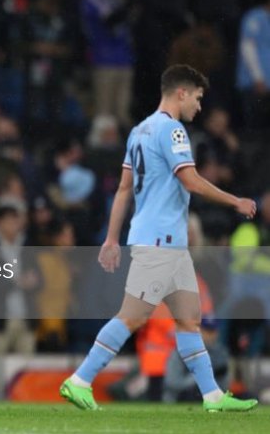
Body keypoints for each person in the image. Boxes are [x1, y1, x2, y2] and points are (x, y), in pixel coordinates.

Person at [61, 64, 258, 412]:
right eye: (197, 98)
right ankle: (79, 380)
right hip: (159, 241)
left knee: (188, 319)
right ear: (181, 93)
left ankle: (212, 396)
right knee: (132, 316)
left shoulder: (139, 131)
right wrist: (235, 201)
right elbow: (191, 181)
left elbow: (123, 189)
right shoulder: (173, 131)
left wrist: (111, 239)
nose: (199, 106)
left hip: (168, 242)